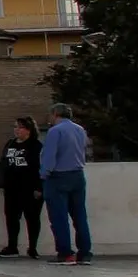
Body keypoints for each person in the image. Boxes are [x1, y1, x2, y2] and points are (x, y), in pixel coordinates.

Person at [41, 103, 92, 265]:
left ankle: (65, 253)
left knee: (59, 217)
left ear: (55, 114)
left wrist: (43, 174)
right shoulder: (80, 130)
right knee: (80, 216)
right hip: (77, 175)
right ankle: (84, 253)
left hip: (58, 177)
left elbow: (49, 156)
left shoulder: (55, 131)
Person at [0, 116, 43, 258]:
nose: (16, 130)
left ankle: (33, 247)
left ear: (28, 130)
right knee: (11, 217)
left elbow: (39, 167)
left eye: (20, 127)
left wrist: (39, 187)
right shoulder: (10, 144)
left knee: (32, 218)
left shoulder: (36, 145)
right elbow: (4, 161)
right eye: (15, 127)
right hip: (11, 188)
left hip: (29, 188)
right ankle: (12, 246)